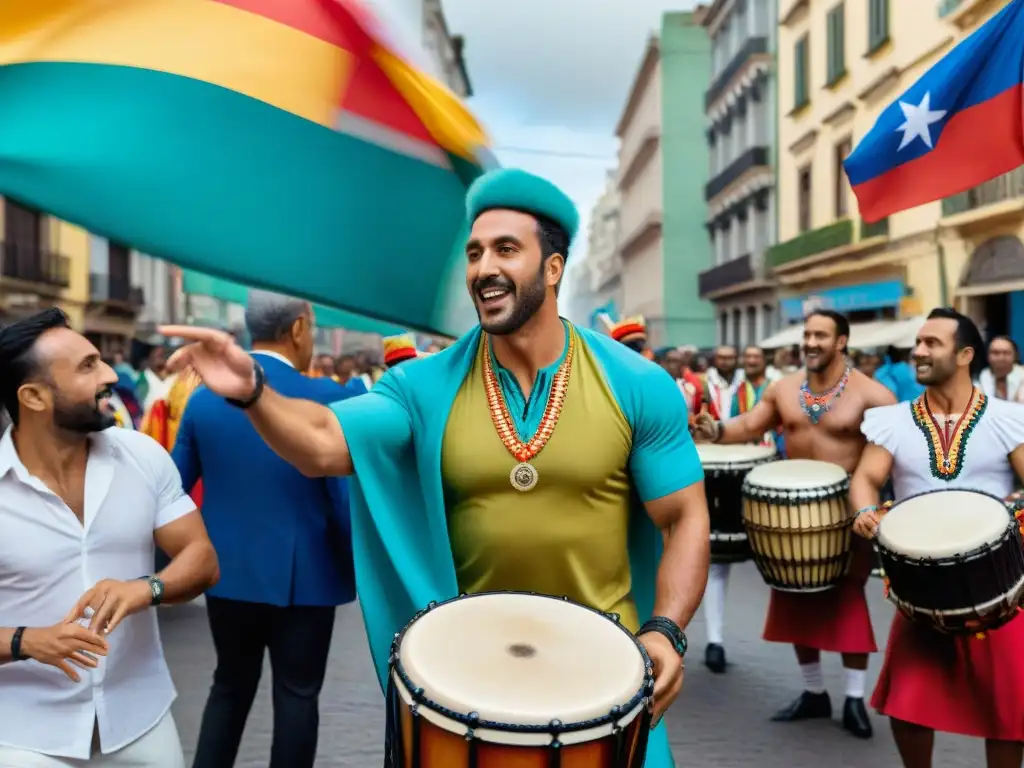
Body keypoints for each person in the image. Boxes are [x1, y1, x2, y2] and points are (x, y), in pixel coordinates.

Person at [160, 167, 711, 768]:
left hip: (609, 677)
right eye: (474, 253)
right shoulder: (421, 386)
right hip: (467, 688)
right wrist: (253, 392)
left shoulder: (634, 383)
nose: (484, 268)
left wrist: (667, 629)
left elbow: (684, 517)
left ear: (553, 269)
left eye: (506, 249)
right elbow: (321, 444)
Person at [0, 309, 219, 767]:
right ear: (33, 397)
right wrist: (25, 641)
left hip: (140, 718)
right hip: (23, 736)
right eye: (87, 366)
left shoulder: (141, 455)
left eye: (99, 360)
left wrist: (147, 588)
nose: (109, 376)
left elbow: (201, 557)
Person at [173, 292, 359, 768]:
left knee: (229, 686)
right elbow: (346, 496)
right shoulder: (335, 399)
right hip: (308, 576)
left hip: (224, 570)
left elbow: (173, 490)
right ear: (298, 329)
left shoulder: (202, 400)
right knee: (297, 696)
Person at [694, 310, 896, 738]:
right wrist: (714, 429)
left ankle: (856, 699)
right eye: (807, 335)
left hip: (847, 515)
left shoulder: (874, 395)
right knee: (794, 599)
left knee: (847, 601)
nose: (811, 342)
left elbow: (889, 456)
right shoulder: (783, 389)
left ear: (841, 342)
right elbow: (750, 424)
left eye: (820, 335)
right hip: (790, 517)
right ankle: (814, 692)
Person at [851, 307, 1024, 768]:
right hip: (918, 583)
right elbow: (866, 478)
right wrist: (865, 510)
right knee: (908, 704)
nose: (919, 351)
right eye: (919, 342)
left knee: (1007, 709)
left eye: (932, 343)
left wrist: (1014, 509)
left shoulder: (1009, 418)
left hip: (998, 583)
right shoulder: (892, 421)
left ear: (965, 354)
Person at [701, 345, 774, 675]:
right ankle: (715, 640)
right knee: (718, 560)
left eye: (749, 357)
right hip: (723, 474)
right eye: (725, 356)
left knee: (776, 554)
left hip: (763, 472)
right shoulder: (715, 387)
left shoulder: (771, 386)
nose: (746, 361)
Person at [981, 335, 1022, 400]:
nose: (1001, 358)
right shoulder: (977, 380)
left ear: (1016, 356)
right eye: (995, 353)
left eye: (1006, 353)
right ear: (988, 356)